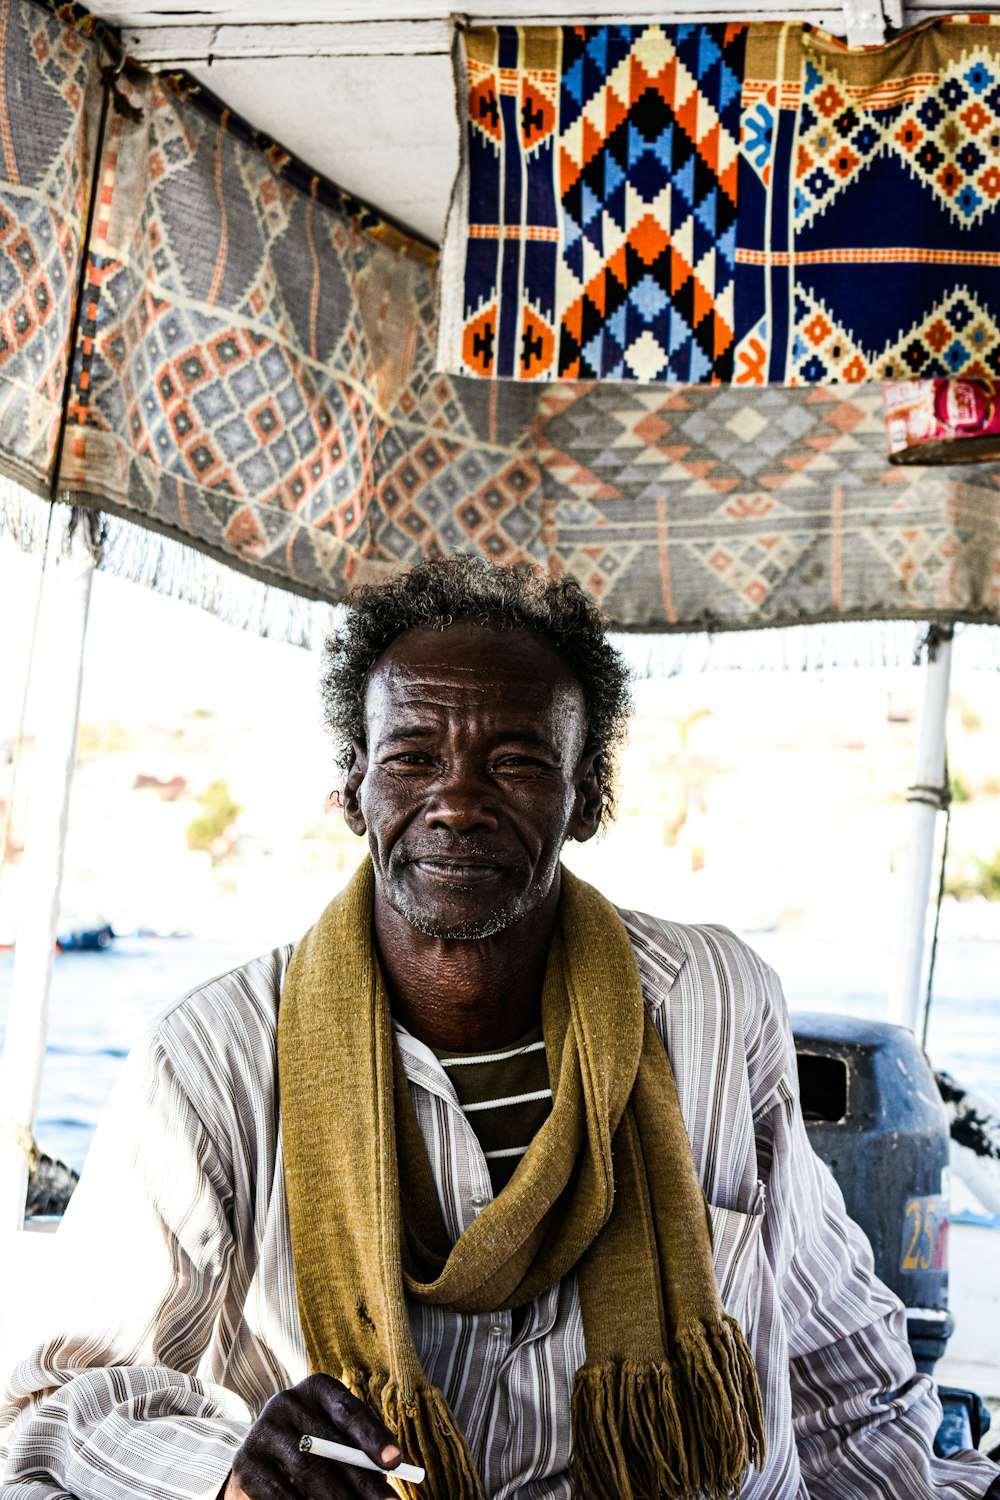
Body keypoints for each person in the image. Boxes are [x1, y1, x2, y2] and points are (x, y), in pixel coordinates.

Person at [1, 557, 998, 1500]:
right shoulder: (213, 1058)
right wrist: (224, 1468)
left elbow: (831, 1353)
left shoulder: (712, 1000)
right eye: (412, 756)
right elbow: (55, 1401)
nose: (457, 803)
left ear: (587, 798)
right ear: (353, 791)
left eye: (515, 760)